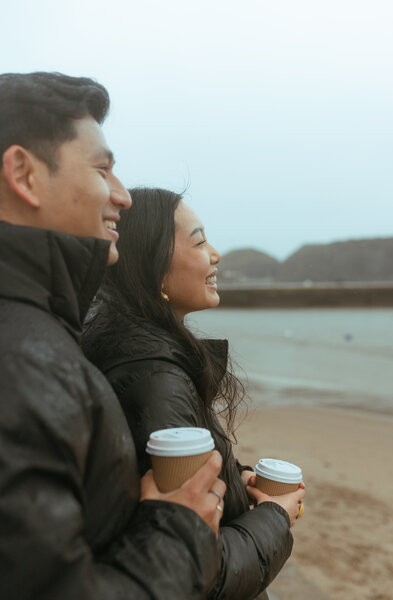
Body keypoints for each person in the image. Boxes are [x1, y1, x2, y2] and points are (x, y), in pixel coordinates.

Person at [0, 72, 227, 600]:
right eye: (102, 170)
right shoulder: (25, 362)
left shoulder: (45, 336)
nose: (122, 197)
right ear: (23, 174)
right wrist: (178, 527)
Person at [82, 187, 306, 599]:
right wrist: (275, 515)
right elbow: (201, 570)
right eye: (200, 241)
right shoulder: (154, 377)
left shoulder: (138, 352)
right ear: (154, 266)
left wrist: (234, 483)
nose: (216, 254)